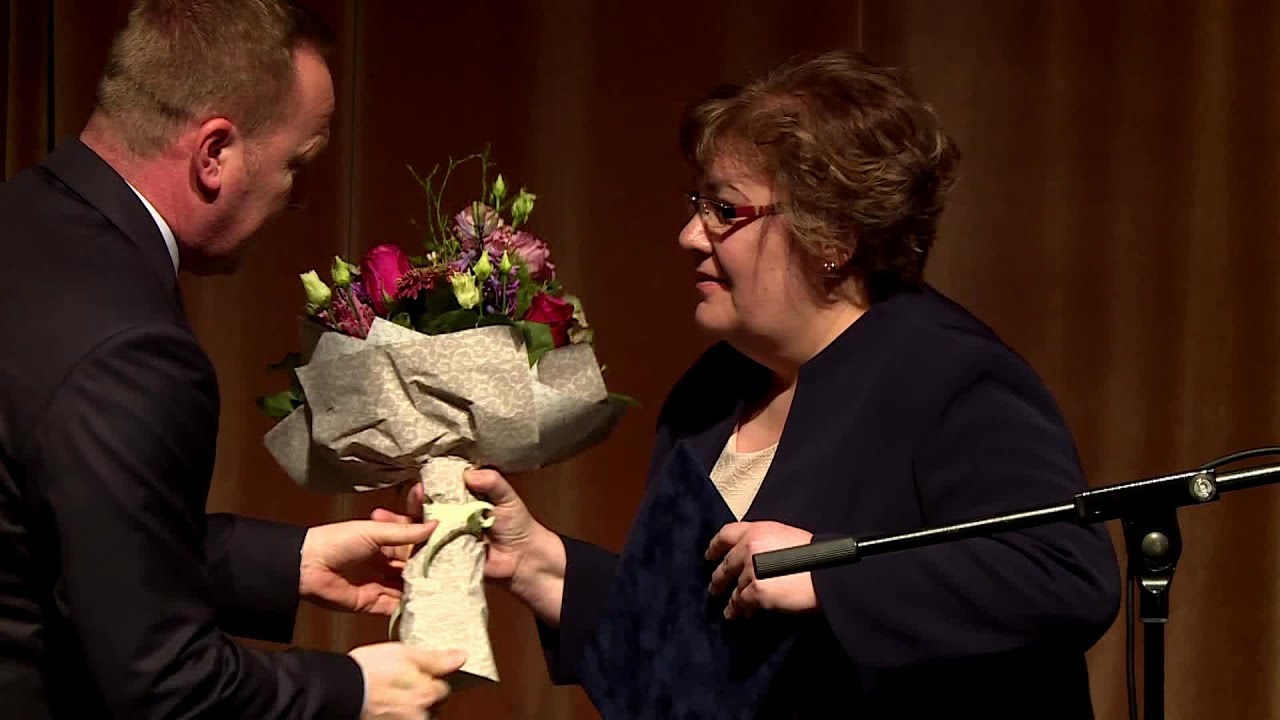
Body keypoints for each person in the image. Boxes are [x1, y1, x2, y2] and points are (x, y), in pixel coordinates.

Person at [399, 50, 1123, 717]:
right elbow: (690, 652)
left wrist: (832, 572)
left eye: (724, 210)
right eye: (696, 204)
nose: (689, 236)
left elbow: (1065, 577)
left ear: (832, 235)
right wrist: (539, 564)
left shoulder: (948, 373)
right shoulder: (711, 394)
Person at [0, 2, 464, 718]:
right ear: (213, 153)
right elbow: (162, 684)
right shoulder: (132, 347)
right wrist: (356, 690)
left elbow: (63, 538)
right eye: (296, 164)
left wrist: (289, 562)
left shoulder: (23, 217)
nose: (296, 198)